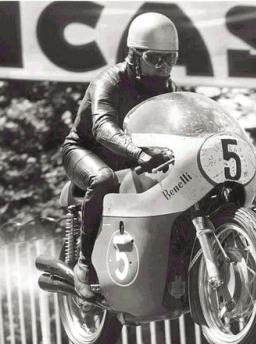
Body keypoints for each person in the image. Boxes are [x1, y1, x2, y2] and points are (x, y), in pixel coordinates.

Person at [61, 12, 180, 299]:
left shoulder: (168, 89)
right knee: (102, 180)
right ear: (135, 56)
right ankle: (84, 266)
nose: (163, 67)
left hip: (130, 158)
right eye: (155, 58)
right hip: (85, 151)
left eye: (170, 59)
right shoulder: (109, 80)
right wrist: (139, 154)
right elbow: (102, 128)